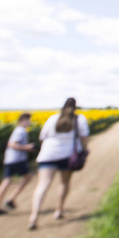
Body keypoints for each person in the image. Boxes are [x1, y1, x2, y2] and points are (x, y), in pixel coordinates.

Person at [28, 97, 89, 230]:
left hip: (48, 155)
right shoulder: (79, 119)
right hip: (68, 156)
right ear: (75, 107)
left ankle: (34, 216)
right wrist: (85, 151)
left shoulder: (52, 119)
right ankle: (58, 210)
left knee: (42, 186)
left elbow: (42, 136)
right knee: (64, 183)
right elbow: (84, 137)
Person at [0, 113, 35, 216]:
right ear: (22, 121)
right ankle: (11, 199)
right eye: (27, 120)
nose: (29, 122)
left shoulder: (18, 130)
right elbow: (12, 144)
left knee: (7, 181)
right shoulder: (21, 131)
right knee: (26, 178)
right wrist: (27, 147)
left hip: (10, 159)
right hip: (18, 160)